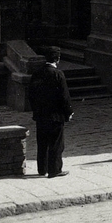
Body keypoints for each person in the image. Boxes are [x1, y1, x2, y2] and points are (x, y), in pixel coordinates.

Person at [27, 46, 74, 178]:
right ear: (57, 59)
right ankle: (54, 170)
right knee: (56, 143)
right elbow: (65, 96)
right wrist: (68, 111)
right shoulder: (58, 74)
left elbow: (31, 94)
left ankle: (42, 169)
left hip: (41, 115)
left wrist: (36, 109)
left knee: (42, 142)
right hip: (55, 116)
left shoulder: (37, 73)